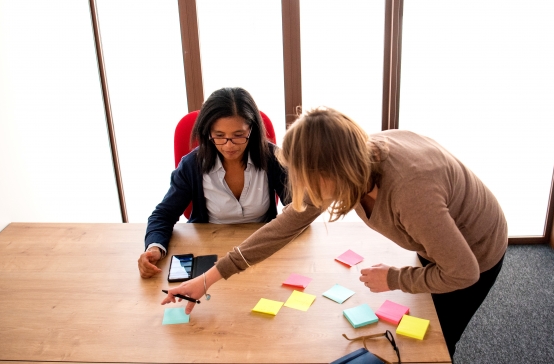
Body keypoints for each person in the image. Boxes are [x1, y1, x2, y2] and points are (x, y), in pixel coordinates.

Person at [161, 106, 508, 359]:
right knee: (416, 334)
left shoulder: (411, 192)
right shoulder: (351, 160)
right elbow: (286, 225)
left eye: (309, 178)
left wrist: (396, 278)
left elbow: (462, 271)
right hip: (437, 240)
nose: (305, 188)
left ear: (334, 169)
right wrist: (208, 279)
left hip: (475, 252)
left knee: (436, 346)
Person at [138, 87, 290, 278]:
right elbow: (163, 215)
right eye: (219, 136)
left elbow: (298, 209)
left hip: (261, 251)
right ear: (207, 132)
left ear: (252, 129)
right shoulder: (192, 165)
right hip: (209, 253)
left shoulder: (274, 158)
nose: (229, 145)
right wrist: (154, 248)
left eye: (238, 135)